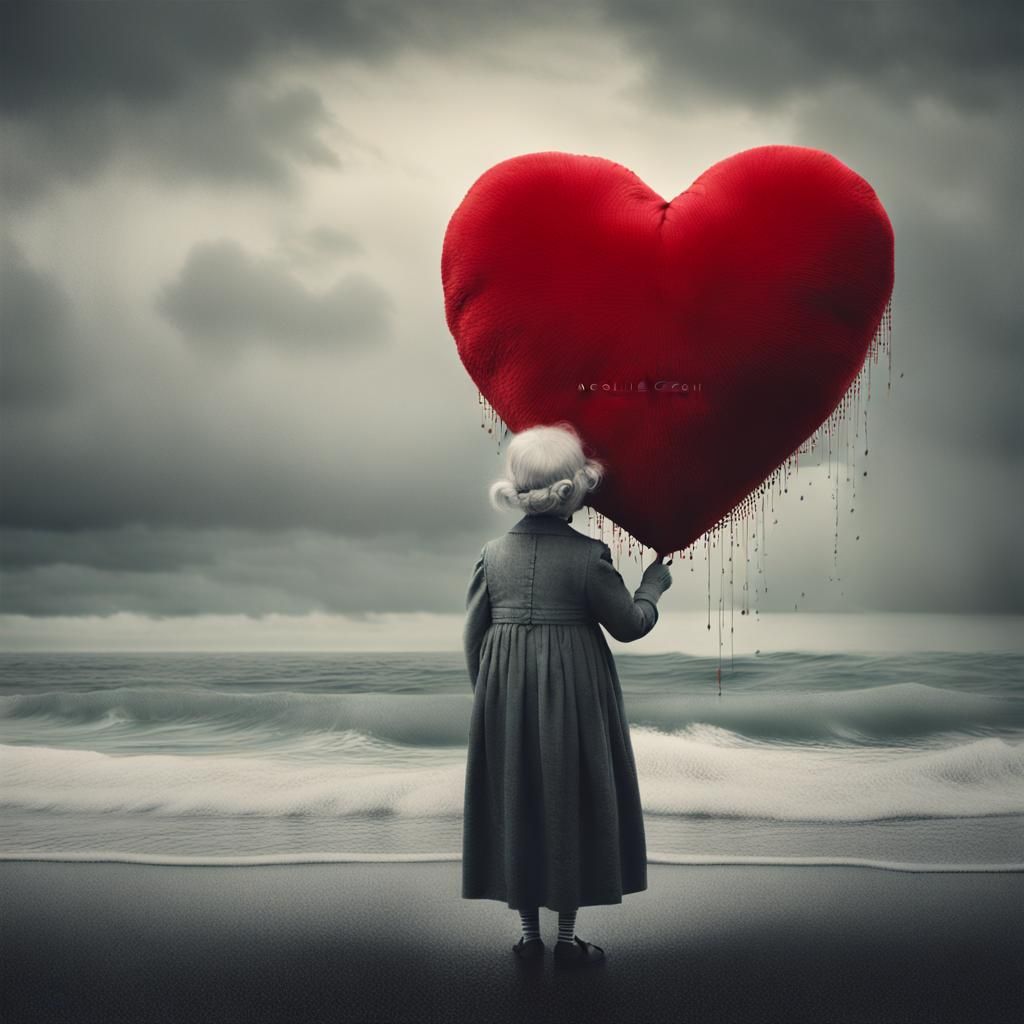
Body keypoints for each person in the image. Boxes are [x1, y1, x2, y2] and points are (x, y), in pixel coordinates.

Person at [461, 420, 673, 967]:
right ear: (575, 489)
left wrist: (489, 699)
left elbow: (472, 636)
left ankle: (529, 938)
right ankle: (567, 941)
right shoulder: (590, 557)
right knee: (568, 800)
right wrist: (652, 587)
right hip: (574, 697)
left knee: (520, 801)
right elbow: (629, 625)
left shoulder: (490, 555)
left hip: (504, 697)